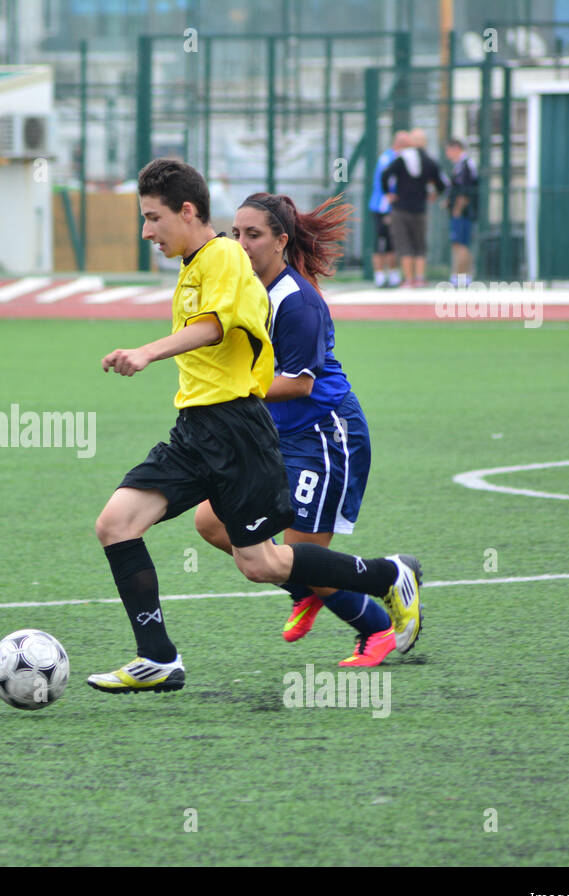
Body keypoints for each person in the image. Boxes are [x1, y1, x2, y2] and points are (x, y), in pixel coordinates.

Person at [86, 158, 422, 694]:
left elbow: (216, 326)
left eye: (153, 218)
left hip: (239, 431)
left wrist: (147, 351)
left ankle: (385, 577)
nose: (146, 231)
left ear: (187, 211)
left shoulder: (220, 256)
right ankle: (158, 657)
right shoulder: (196, 263)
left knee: (262, 563)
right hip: (195, 429)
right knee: (116, 525)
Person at [192, 192, 401, 666]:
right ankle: (302, 587)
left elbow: (300, 384)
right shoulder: (243, 289)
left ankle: (377, 624)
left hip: (324, 435)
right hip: (273, 436)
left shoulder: (297, 301)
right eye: (236, 233)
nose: (241, 244)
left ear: (281, 241)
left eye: (255, 235)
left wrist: (231, 384)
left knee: (301, 555)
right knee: (210, 521)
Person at [380, 129, 445, 288]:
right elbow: (442, 184)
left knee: (404, 244)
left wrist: (388, 193)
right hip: (420, 209)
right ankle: (420, 278)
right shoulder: (430, 161)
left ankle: (408, 279)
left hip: (401, 208)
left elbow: (385, 174)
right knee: (420, 245)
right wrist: (434, 194)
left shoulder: (402, 157)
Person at [369, 131, 409, 288]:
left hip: (393, 206)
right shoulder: (388, 159)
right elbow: (386, 182)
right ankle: (380, 275)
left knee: (393, 241)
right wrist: (388, 204)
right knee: (381, 241)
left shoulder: (399, 159)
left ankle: (393, 274)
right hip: (382, 206)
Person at [444, 138, 478, 287]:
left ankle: (460, 276)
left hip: (463, 213)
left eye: (448, 150)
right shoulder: (460, 166)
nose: (447, 154)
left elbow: (465, 191)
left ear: (456, 148)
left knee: (461, 243)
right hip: (461, 211)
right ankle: (464, 276)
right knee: (459, 244)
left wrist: (457, 209)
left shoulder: (465, 166)